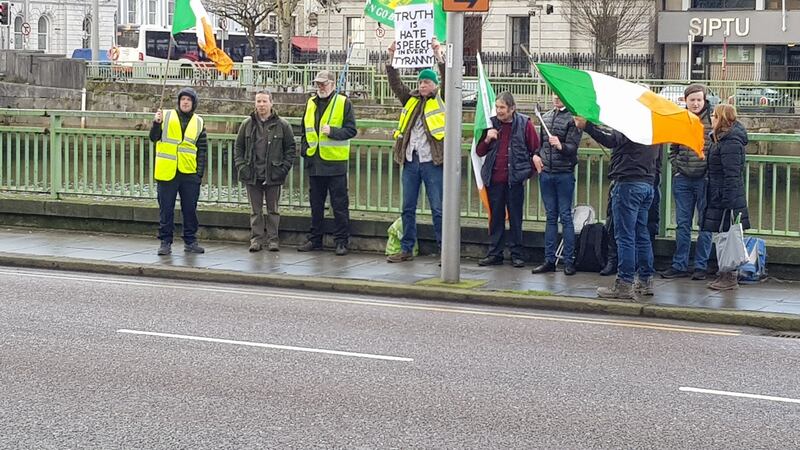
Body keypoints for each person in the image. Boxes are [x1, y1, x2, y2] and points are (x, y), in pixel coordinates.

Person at [575, 117, 658, 300]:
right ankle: (645, 280)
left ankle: (624, 284)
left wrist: (587, 126)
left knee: (625, 236)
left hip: (628, 183)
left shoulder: (630, 123)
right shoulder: (653, 127)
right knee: (641, 233)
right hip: (647, 184)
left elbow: (611, 140)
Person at [384, 38, 446, 263]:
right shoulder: (410, 99)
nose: (421, 86)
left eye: (426, 83)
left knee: (438, 209)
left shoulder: (441, 99)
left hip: (433, 162)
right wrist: (391, 57)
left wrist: (438, 54)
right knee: (407, 207)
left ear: (434, 84)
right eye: (420, 83)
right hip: (411, 161)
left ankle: (444, 251)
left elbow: (448, 79)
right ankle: (407, 249)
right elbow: (395, 82)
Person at [475, 92, 539, 267]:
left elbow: (535, 150)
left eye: (502, 107)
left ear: (512, 109)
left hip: (514, 180)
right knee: (496, 218)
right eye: (497, 107)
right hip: (494, 179)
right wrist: (488, 138)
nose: (498, 111)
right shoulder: (491, 124)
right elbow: (480, 151)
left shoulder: (525, 124)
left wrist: (526, 174)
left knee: (515, 218)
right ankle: (495, 253)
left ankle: (517, 254)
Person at [297, 70, 357, 256]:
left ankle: (341, 241)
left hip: (335, 162)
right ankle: (315, 239)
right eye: (318, 84)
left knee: (339, 205)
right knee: (316, 205)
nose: (320, 87)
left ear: (332, 84)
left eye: (323, 84)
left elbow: (351, 130)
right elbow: (304, 128)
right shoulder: (310, 102)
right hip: (315, 161)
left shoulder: (343, 102)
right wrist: (305, 149)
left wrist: (333, 131)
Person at [661, 84, 714, 280]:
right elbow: (673, 149)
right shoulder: (680, 120)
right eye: (692, 100)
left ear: (704, 100)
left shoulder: (712, 120)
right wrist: (676, 168)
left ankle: (701, 266)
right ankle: (679, 265)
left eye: (699, 99)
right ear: (686, 101)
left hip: (705, 179)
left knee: (705, 225)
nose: (696, 103)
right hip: (682, 178)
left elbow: (716, 149)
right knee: (682, 224)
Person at [234, 90, 296, 252]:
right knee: (255, 211)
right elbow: (238, 147)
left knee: (273, 210)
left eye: (264, 101)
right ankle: (256, 240)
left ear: (271, 103)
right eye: (258, 101)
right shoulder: (246, 124)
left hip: (273, 173)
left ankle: (273, 240)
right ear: (255, 104)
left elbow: (290, 149)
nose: (261, 105)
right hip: (252, 173)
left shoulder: (282, 125)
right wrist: (242, 166)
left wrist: (283, 169)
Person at [149, 87, 207, 256]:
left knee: (190, 209)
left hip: (189, 172)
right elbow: (153, 137)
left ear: (193, 103)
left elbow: (201, 149)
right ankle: (165, 242)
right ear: (179, 102)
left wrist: (199, 174)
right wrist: (155, 123)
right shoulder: (165, 115)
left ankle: (190, 240)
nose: (185, 102)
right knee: (166, 209)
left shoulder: (198, 122)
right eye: (183, 99)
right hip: (167, 171)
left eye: (189, 100)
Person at [531, 94, 582, 275]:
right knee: (551, 217)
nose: (556, 98)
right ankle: (549, 260)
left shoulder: (573, 120)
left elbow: (573, 148)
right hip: (547, 173)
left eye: (559, 95)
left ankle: (569, 261)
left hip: (564, 173)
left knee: (565, 217)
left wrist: (561, 146)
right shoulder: (545, 118)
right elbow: (540, 146)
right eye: (554, 95)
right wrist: (536, 156)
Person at [702, 104, 750, 291]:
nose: (711, 119)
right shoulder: (722, 139)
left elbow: (732, 174)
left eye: (714, 116)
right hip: (719, 193)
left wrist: (728, 200)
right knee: (722, 235)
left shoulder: (730, 142)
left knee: (727, 235)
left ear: (721, 119)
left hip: (725, 195)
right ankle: (725, 274)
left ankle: (729, 276)